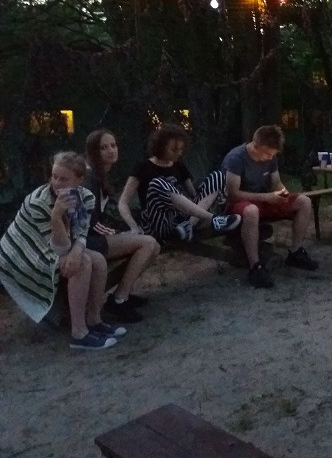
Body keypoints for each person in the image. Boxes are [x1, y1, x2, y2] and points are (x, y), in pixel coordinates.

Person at [0, 152, 126, 350]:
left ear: (79, 180)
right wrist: (56, 216)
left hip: (50, 248)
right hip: (23, 257)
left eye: (64, 179)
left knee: (98, 260)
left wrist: (76, 252)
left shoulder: (86, 197)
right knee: (82, 263)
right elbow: (59, 248)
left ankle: (94, 320)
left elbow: (81, 233)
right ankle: (79, 334)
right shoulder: (38, 202)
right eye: (54, 176)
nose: (57, 183)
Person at [222, 125, 319, 288]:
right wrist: (265, 197)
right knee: (251, 211)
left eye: (273, 155)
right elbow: (233, 194)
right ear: (256, 146)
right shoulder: (236, 158)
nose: (270, 158)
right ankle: (255, 267)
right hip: (239, 204)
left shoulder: (270, 157)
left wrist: (283, 194)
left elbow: (276, 182)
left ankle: (295, 252)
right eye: (267, 154)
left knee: (304, 201)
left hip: (263, 200)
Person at [118, 123, 242, 243]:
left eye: (181, 149)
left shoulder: (178, 165)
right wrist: (134, 227)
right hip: (157, 222)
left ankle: (189, 226)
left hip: (182, 222)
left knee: (218, 176)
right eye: (174, 149)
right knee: (157, 183)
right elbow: (123, 203)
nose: (179, 153)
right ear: (160, 147)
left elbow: (194, 196)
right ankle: (214, 220)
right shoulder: (143, 167)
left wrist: (217, 195)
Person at [85, 129, 161, 323]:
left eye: (113, 145)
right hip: (87, 241)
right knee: (147, 243)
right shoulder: (90, 178)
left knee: (154, 246)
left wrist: (123, 231)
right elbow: (90, 222)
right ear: (94, 152)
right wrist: (118, 234)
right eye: (103, 148)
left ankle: (122, 293)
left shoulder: (100, 175)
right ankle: (118, 301)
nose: (111, 150)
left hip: (95, 236)